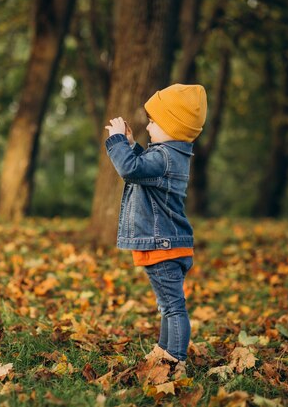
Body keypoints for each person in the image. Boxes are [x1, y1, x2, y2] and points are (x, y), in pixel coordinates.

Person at [104, 83, 207, 379]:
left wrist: (116, 142)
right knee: (168, 305)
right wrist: (130, 143)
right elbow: (142, 167)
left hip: (164, 245)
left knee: (173, 307)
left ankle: (174, 360)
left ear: (172, 126)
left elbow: (130, 169)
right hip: (168, 242)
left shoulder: (164, 156)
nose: (148, 127)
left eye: (153, 121)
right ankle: (165, 352)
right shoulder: (170, 155)